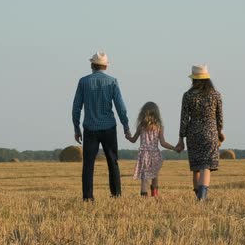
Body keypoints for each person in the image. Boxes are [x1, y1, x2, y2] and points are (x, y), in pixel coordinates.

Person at [72, 51, 131, 201]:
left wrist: (76, 128)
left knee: (88, 165)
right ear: (105, 66)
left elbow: (76, 107)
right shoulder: (112, 82)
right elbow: (121, 107)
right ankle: (116, 195)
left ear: (92, 65)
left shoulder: (83, 82)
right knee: (113, 162)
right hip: (109, 127)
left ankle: (87, 197)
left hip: (90, 128)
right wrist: (126, 126)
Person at [175, 65, 224, 200]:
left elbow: (184, 119)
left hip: (193, 134)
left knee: (196, 167)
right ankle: (201, 198)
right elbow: (219, 118)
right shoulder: (216, 95)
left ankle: (198, 197)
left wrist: (180, 139)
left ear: (194, 79)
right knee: (206, 167)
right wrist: (220, 133)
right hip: (210, 133)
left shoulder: (188, 95)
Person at [127, 102, 177, 197]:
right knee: (155, 176)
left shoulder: (141, 126)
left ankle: (144, 197)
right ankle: (155, 196)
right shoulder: (159, 127)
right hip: (155, 154)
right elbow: (163, 143)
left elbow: (133, 140)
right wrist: (174, 148)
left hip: (144, 154)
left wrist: (128, 136)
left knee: (144, 178)